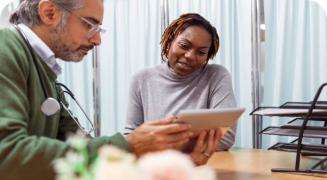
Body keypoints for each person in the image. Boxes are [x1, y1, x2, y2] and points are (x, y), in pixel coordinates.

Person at [0, 0, 195, 179]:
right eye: (89, 25)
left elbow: (79, 147)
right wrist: (129, 145)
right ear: (49, 13)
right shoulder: (6, 47)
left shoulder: (44, 70)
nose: (97, 41)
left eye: (98, 29)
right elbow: (7, 154)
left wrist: (166, 154)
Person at [124, 13, 237, 162]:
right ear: (170, 41)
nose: (190, 56)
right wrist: (197, 141)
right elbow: (131, 139)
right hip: (153, 167)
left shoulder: (216, 75)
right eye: (184, 45)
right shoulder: (142, 79)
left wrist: (156, 142)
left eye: (201, 52)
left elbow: (225, 137)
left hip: (202, 166)